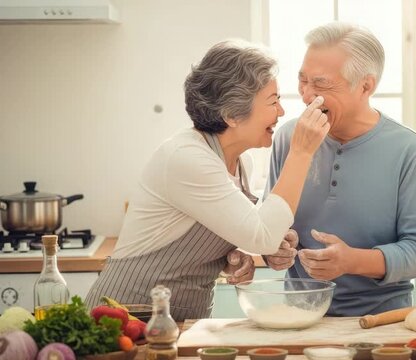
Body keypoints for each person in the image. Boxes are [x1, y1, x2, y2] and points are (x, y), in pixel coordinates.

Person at [85, 40, 329, 321]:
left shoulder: (241, 163)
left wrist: (231, 257)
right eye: (273, 101)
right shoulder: (186, 158)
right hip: (126, 317)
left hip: (185, 323)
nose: (282, 112)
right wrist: (301, 152)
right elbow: (262, 236)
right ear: (231, 115)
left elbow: (247, 232)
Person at [265, 22, 416, 316]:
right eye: (302, 80)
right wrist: (272, 250)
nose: (307, 95)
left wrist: (352, 261)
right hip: (299, 318)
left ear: (366, 85)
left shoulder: (410, 150)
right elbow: (269, 227)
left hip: (382, 321)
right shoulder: (288, 138)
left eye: (320, 84)